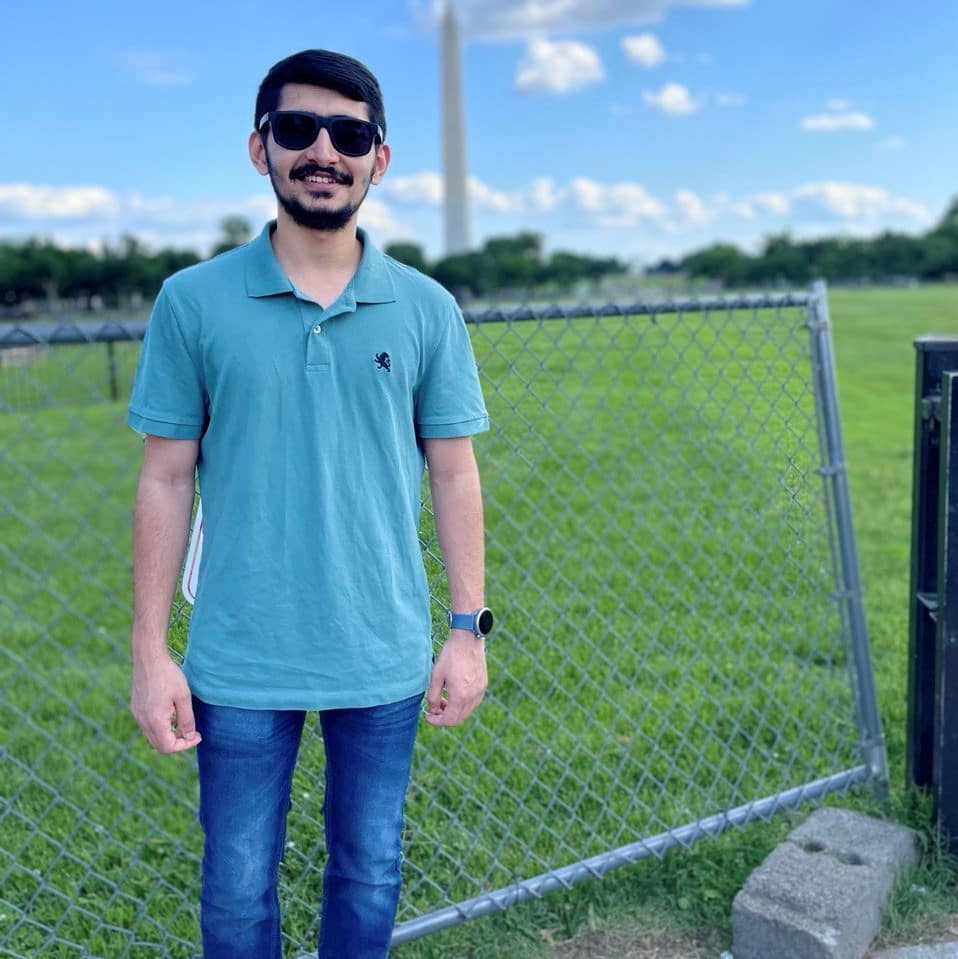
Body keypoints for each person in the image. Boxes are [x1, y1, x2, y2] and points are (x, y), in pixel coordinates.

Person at [126, 48, 492, 959]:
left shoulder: (425, 308)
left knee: (369, 868)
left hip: (382, 649)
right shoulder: (192, 302)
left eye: (350, 133)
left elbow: (455, 472)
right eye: (297, 130)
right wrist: (148, 652)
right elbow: (165, 476)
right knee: (236, 883)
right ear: (260, 149)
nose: (322, 150)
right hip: (239, 654)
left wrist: (465, 628)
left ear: (379, 157)